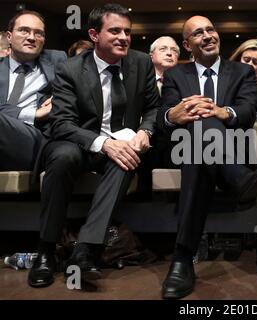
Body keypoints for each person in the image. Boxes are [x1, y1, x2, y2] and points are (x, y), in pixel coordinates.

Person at [28, 3, 160, 288]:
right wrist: (103, 144)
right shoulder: (71, 68)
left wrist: (145, 131)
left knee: (128, 155)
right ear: (94, 35)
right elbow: (61, 123)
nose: (124, 37)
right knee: (63, 157)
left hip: (122, 143)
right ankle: (46, 251)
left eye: (127, 31)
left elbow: (153, 108)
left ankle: (84, 249)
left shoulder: (141, 63)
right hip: (77, 141)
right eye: (115, 31)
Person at [157, 15, 257, 299]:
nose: (207, 35)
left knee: (201, 134)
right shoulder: (175, 75)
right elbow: (163, 117)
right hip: (183, 145)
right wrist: (174, 115)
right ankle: (239, 178)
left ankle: (182, 259)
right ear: (187, 44)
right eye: (197, 33)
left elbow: (247, 113)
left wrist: (221, 112)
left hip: (228, 144)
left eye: (210, 29)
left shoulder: (241, 72)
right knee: (197, 126)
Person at [0, 11, 66, 171]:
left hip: (37, 139)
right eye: (24, 30)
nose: (31, 37)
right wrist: (34, 113)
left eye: (39, 33)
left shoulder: (57, 61)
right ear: (9, 36)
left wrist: (60, 99)